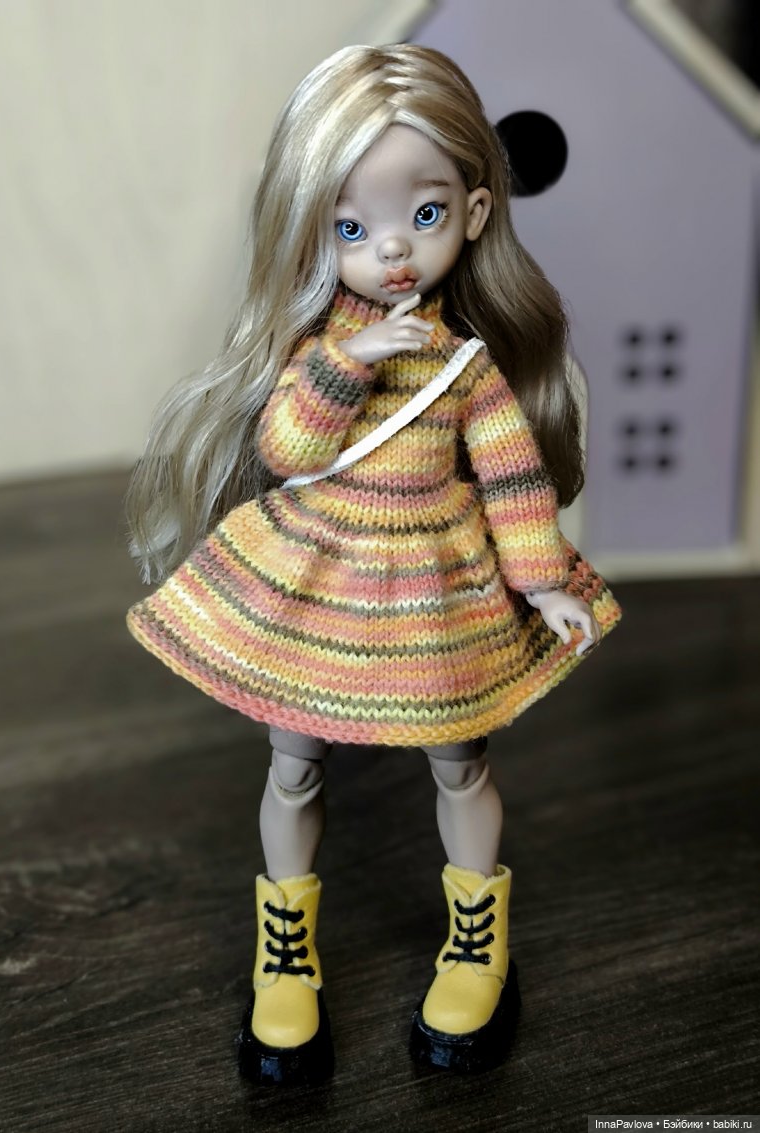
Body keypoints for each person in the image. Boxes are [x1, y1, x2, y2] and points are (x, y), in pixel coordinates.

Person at [125, 43, 621, 1085]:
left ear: (474, 215)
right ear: (314, 229)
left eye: (424, 214)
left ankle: (477, 940)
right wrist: (344, 365)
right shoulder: (318, 351)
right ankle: (285, 949)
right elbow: (289, 449)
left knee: (460, 759)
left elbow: (510, 476)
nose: (393, 249)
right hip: (317, 578)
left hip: (435, 586)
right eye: (352, 228)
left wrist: (539, 580)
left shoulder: (465, 367)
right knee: (292, 761)